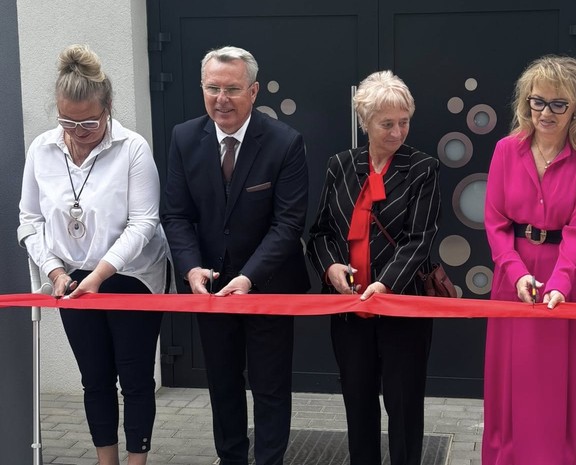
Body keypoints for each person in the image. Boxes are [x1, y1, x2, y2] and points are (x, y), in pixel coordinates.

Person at [18, 44, 170, 465]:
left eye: (89, 121)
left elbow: (144, 222)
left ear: (108, 108)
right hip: (70, 279)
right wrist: (54, 271)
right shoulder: (42, 149)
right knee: (94, 378)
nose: (78, 130)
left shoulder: (132, 148)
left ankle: (137, 461)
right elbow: (28, 219)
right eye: (67, 121)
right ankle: (107, 460)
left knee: (135, 378)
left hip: (132, 275)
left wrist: (100, 275)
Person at [161, 46, 309, 465]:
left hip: (268, 286)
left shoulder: (284, 142)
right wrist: (190, 268)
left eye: (232, 89)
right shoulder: (184, 138)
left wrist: (248, 277)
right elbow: (175, 214)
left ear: (254, 91)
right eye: (212, 88)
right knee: (223, 386)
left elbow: (288, 224)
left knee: (270, 387)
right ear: (202, 88)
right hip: (209, 288)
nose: (221, 99)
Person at [307, 70, 440, 465]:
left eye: (404, 122)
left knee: (404, 404)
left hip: (402, 305)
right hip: (349, 308)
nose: (397, 132)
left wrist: (384, 286)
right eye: (387, 124)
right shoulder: (340, 165)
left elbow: (419, 240)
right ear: (365, 122)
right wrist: (331, 267)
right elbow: (320, 232)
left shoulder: (423, 168)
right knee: (357, 400)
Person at [483, 55, 576, 464]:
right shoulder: (505, 150)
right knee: (511, 374)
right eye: (538, 102)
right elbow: (496, 221)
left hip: (573, 275)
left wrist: (560, 282)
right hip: (513, 271)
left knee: (569, 378)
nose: (546, 113)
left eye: (558, 104)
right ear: (526, 102)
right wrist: (515, 272)